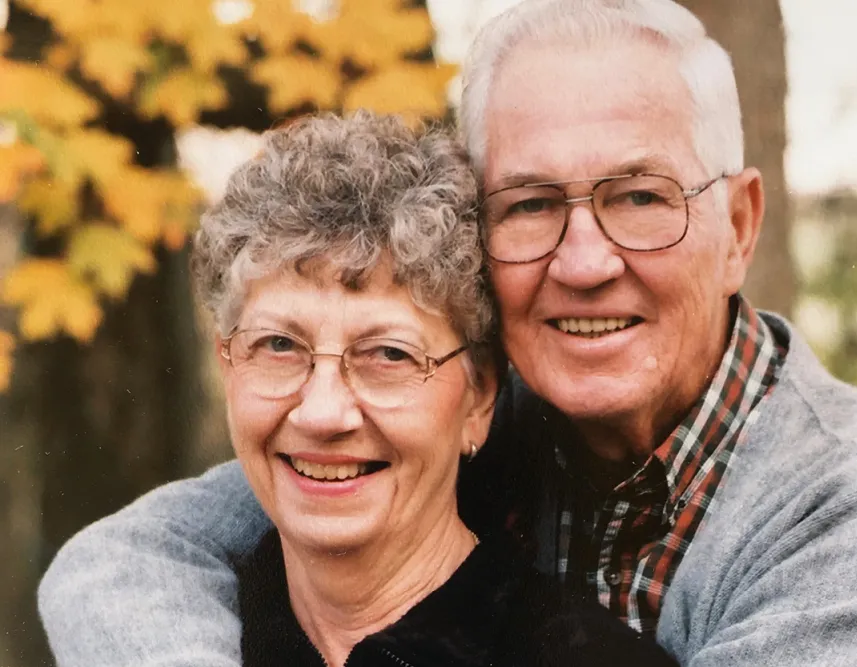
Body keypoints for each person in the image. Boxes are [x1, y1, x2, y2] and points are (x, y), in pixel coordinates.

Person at [39, 1, 857, 666]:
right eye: (531, 204)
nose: (584, 260)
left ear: (739, 226)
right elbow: (124, 561)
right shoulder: (476, 407)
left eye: (637, 196)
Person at [94, 109, 677, 667]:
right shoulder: (157, 635)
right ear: (227, 367)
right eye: (277, 346)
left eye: (388, 355)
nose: (323, 413)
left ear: (479, 400)